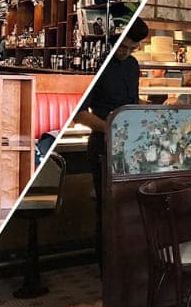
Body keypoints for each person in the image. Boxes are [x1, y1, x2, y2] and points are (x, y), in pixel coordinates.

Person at [72, 17, 148, 272]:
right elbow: (79, 114)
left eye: (132, 48)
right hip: (102, 146)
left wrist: (154, 110)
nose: (125, 52)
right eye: (122, 46)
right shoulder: (98, 65)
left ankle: (128, 267)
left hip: (131, 149)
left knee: (131, 207)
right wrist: (111, 129)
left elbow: (132, 103)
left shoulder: (133, 65)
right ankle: (107, 271)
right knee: (108, 210)